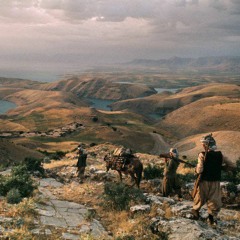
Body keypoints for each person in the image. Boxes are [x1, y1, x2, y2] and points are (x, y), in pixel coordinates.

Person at [191, 133, 232, 226]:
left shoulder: (202, 155)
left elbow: (200, 169)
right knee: (214, 200)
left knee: (200, 197)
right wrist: (221, 168)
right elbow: (231, 165)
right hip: (215, 181)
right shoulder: (220, 155)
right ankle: (212, 218)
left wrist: (196, 170)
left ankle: (195, 212)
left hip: (204, 181)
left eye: (203, 144)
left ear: (206, 145)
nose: (202, 145)